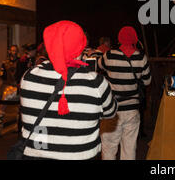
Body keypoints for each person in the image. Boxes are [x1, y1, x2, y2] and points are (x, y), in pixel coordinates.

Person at [19, 20, 117, 160]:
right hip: (80, 155)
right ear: (81, 45)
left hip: (38, 153)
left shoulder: (29, 77)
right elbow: (110, 113)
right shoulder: (96, 82)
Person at [98, 26, 151, 160]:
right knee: (129, 149)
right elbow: (147, 81)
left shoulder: (109, 55)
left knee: (109, 149)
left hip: (112, 110)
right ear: (134, 38)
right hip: (132, 109)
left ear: (120, 38)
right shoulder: (140, 57)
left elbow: (99, 65)